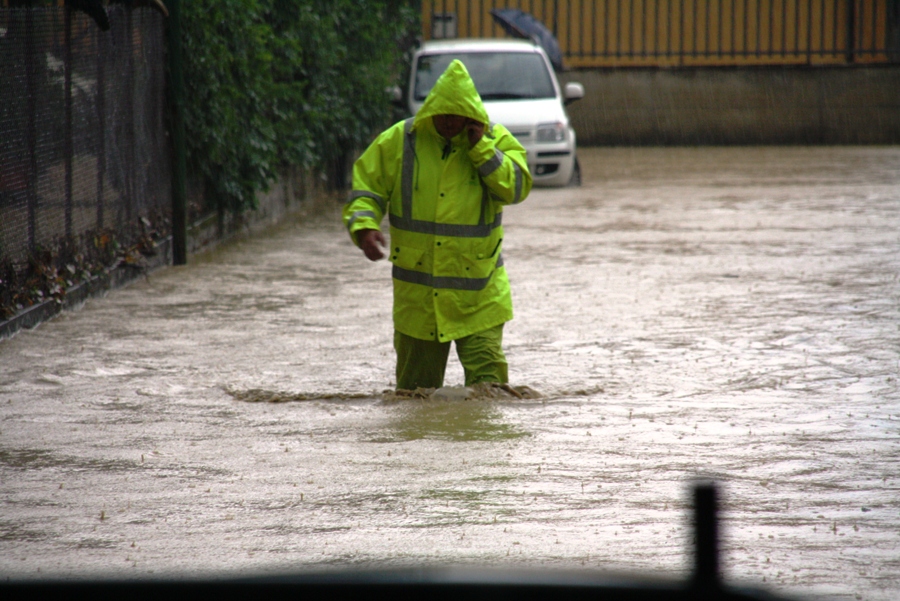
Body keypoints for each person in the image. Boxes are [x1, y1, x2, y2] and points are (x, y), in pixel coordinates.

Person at [343, 59, 532, 391]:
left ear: (470, 114)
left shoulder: (494, 139)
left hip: (480, 299)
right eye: (442, 114)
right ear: (431, 110)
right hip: (419, 303)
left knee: (490, 395)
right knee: (415, 397)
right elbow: (366, 189)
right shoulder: (399, 140)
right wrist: (364, 228)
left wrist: (482, 149)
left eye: (456, 115)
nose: (448, 122)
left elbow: (516, 189)